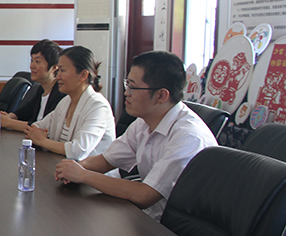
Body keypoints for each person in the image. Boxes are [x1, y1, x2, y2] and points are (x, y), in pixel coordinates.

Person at [54, 51, 218, 221]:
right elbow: (106, 160)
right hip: (148, 218)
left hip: (174, 230)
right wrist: (72, 169)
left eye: (133, 87)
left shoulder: (188, 137)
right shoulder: (143, 122)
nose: (126, 93)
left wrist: (83, 175)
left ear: (161, 95)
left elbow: (145, 194)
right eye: (127, 84)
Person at [24, 45, 115, 159]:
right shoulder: (66, 102)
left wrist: (43, 141)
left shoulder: (98, 106)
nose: (58, 76)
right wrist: (38, 136)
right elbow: (36, 127)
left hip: (89, 170)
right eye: (58, 70)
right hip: (61, 166)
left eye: (62, 70)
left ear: (83, 75)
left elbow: (78, 151)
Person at [0, 39, 65, 132]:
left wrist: (7, 122)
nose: (32, 66)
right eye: (32, 60)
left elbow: (45, 127)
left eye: (37, 61)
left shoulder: (61, 93)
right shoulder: (41, 89)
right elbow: (25, 112)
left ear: (54, 67)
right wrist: (8, 116)